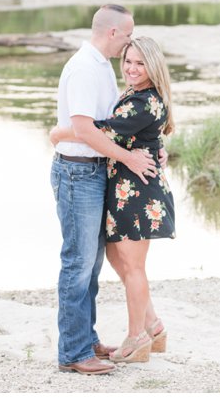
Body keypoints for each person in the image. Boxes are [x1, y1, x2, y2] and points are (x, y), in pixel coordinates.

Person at [50, 35, 175, 364]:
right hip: (124, 189)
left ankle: (137, 339)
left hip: (136, 193)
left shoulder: (143, 101)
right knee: (122, 263)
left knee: (132, 267)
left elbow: (102, 129)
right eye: (129, 62)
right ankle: (154, 326)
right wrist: (155, 147)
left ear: (154, 66)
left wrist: (60, 133)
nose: (132, 68)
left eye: (140, 63)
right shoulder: (138, 95)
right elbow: (138, 133)